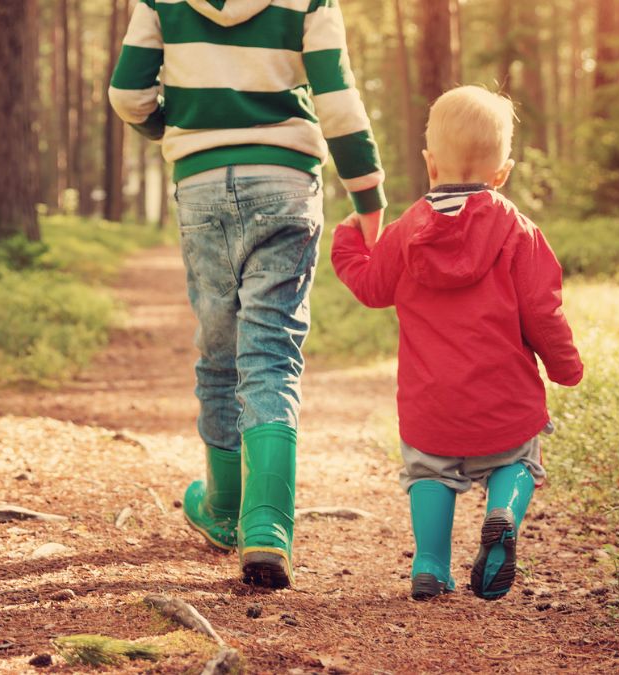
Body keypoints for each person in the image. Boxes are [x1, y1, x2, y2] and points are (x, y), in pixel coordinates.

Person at [108, 0, 386, 588]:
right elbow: (338, 103)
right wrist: (368, 196)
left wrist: (176, 126)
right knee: (271, 353)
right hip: (286, 182)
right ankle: (267, 526)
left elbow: (128, 95)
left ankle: (224, 510)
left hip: (202, 184)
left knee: (218, 346)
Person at [330, 86, 583, 600]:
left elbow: (373, 287)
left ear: (429, 163)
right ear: (502, 172)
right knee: (520, 460)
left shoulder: (405, 231)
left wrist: (350, 243)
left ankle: (428, 565)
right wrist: (565, 366)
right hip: (503, 396)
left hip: (431, 403)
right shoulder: (519, 230)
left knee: (429, 472)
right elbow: (543, 310)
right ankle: (503, 512)